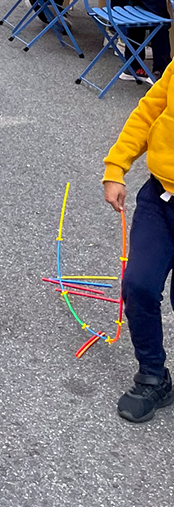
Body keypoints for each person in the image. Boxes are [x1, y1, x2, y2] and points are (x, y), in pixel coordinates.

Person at [102, 67, 174, 422]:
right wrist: (116, 167)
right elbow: (147, 113)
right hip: (159, 200)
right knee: (139, 285)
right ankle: (153, 376)